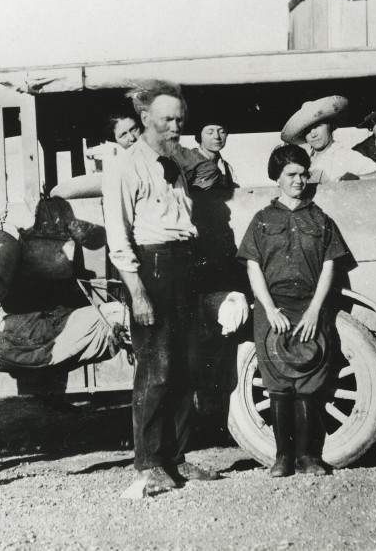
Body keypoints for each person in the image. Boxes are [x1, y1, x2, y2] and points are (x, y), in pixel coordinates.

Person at [102, 80, 221, 494]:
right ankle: (148, 464)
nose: (176, 127)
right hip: (151, 269)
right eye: (168, 119)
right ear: (145, 118)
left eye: (180, 120)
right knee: (156, 369)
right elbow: (119, 236)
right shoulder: (123, 165)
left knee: (187, 365)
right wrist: (137, 293)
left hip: (184, 264)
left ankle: (176, 459)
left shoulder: (176, 163)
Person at [237, 145, 351, 477]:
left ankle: (309, 457)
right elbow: (253, 267)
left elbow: (330, 265)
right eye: (291, 175)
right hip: (274, 309)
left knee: (311, 378)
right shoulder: (262, 219)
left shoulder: (320, 218)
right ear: (277, 178)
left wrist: (316, 310)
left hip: (309, 307)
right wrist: (269, 309)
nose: (299, 180)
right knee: (277, 382)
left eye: (303, 174)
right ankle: (283, 458)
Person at [280, 96, 376, 184]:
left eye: (318, 126)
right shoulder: (303, 159)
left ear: (331, 126)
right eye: (308, 130)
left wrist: (356, 179)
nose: (313, 134)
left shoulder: (345, 155)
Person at [186, 120, 237, 190]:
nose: (217, 136)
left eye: (222, 131)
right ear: (199, 135)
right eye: (210, 132)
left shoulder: (226, 167)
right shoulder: (188, 161)